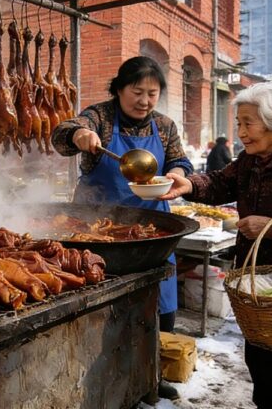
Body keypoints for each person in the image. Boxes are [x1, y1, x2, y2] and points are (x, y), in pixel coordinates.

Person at [160, 82, 272, 409]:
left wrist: (269, 227)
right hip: (259, 288)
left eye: (247, 123)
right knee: (261, 367)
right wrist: (189, 185)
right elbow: (219, 183)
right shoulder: (251, 159)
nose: (240, 132)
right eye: (239, 122)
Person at [51, 55, 193, 402]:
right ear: (119, 89)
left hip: (151, 229)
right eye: (137, 92)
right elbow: (61, 134)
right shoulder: (99, 117)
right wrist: (80, 134)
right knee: (102, 308)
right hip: (95, 229)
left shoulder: (164, 125)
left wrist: (176, 174)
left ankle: (152, 375)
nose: (144, 101)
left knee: (160, 305)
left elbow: (180, 161)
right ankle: (96, 379)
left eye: (152, 93)